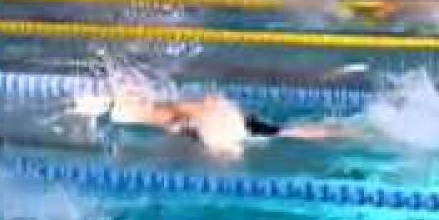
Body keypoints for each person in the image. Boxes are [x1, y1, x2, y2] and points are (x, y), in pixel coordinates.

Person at [92, 88, 359, 161]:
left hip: (219, 125)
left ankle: (349, 132)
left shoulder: (152, 113)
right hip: (222, 118)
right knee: (281, 133)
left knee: (281, 134)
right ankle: (349, 131)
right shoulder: (155, 105)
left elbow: (183, 121)